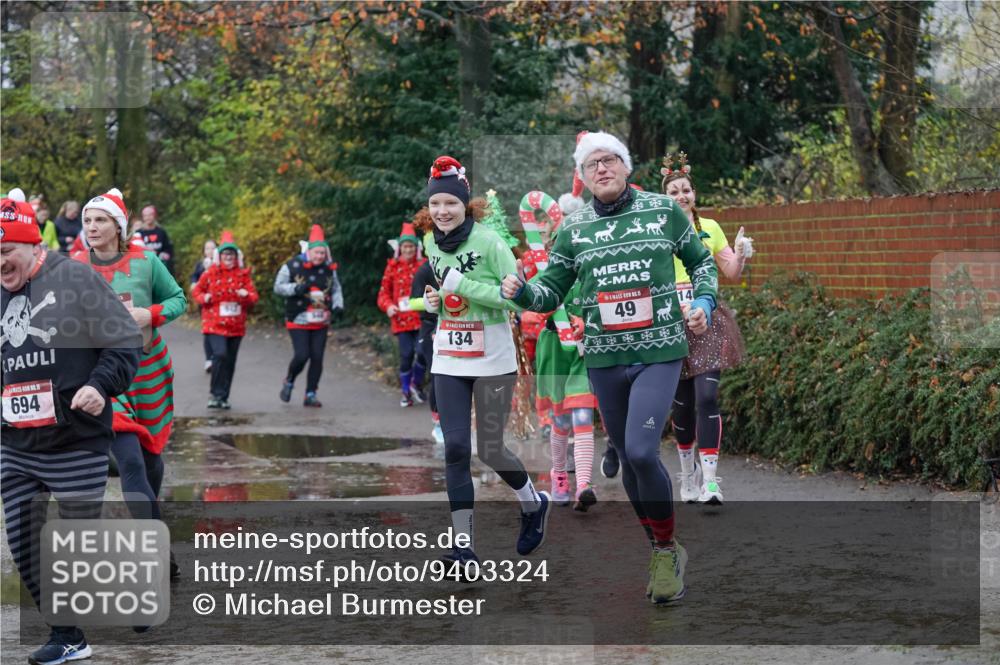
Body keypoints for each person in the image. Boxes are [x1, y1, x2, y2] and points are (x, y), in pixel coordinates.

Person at [501, 132, 719, 604]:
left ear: (626, 166)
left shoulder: (663, 211)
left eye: (610, 160)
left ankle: (666, 550)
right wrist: (522, 291)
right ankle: (661, 548)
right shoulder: (574, 229)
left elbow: (702, 264)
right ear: (582, 176)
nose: (601, 169)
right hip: (603, 357)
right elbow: (550, 290)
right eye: (592, 164)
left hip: (659, 350)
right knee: (627, 465)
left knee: (640, 451)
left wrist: (703, 302)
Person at [2, 191, 142, 664]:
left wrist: (101, 386)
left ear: (33, 245)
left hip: (76, 438)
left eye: (6, 251)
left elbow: (125, 340)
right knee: (24, 541)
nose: (0, 263)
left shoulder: (76, 278)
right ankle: (68, 636)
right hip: (16, 441)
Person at [421, 155, 550, 568]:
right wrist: (434, 301)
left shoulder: (491, 243)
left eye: (451, 203)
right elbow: (444, 291)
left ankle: (533, 504)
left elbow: (517, 301)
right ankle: (464, 549)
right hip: (449, 357)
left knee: (491, 449)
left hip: (493, 358)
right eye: (436, 203)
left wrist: (463, 285)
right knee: (456, 449)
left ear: (466, 204)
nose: (443, 211)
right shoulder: (428, 242)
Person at [74, 188, 186, 544]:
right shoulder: (75, 265)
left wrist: (149, 314)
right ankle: (156, 545)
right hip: (107, 376)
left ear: (118, 226)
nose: (92, 227)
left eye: (100, 220)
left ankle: (150, 515)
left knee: (151, 457)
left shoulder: (146, 262)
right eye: (87, 220)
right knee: (130, 460)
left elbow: (178, 299)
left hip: (149, 371)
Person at [661, 153, 752, 505]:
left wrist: (740, 254)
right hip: (670, 323)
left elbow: (730, 272)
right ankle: (688, 473)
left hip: (707, 320)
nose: (681, 196)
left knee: (707, 397)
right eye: (673, 192)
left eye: (685, 190)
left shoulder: (710, 227)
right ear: (665, 198)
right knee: (682, 405)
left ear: (694, 194)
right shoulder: (657, 230)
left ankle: (711, 481)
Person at [521, 182, 599, 512]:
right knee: (562, 421)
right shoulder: (544, 268)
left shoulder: (592, 263)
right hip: (554, 349)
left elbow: (603, 303)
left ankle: (584, 485)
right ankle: (559, 477)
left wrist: (587, 323)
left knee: (582, 413)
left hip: (584, 349)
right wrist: (523, 290)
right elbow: (530, 303)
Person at [273, 224, 344, 407]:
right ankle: (289, 380)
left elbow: (336, 288)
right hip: (298, 318)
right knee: (302, 355)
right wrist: (296, 288)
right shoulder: (292, 265)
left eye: (322, 253)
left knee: (317, 357)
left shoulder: (329, 267)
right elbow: (278, 287)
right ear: (309, 251)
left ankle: (311, 393)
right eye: (316, 253)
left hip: (321, 319)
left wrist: (338, 305)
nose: (319, 256)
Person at [192, 231, 258, 409]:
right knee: (220, 354)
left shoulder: (243, 275)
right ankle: (215, 394)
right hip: (214, 324)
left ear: (237, 257)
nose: (228, 257)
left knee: (230, 361)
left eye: (232, 254)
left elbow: (254, 297)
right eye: (225, 254)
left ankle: (223, 397)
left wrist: (246, 295)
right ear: (219, 256)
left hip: (236, 326)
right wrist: (204, 298)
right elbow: (196, 291)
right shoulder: (209, 273)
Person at [377, 222, 428, 407]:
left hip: (421, 319)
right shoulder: (392, 267)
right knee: (406, 355)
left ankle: (416, 384)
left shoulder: (423, 265)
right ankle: (405, 391)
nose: (408, 250)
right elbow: (383, 294)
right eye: (405, 246)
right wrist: (388, 306)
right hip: (401, 321)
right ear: (400, 248)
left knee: (423, 352)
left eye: (411, 246)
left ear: (416, 247)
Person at [408, 208, 444, 444]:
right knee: (437, 376)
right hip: (430, 328)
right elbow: (412, 302)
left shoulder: (457, 265)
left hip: (455, 327)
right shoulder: (424, 271)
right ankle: (438, 423)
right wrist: (434, 301)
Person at [190, 239, 218, 372]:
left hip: (219, 302)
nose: (210, 251)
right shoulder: (200, 264)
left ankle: (218, 356)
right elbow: (194, 277)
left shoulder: (221, 264)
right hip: (205, 302)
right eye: (207, 248)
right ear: (204, 251)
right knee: (208, 330)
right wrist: (194, 284)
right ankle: (209, 359)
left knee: (218, 330)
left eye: (213, 248)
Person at [136, 205, 175, 276]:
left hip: (160, 264)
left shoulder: (161, 232)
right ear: (143, 217)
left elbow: (168, 249)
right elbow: (133, 250)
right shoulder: (138, 233)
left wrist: (164, 254)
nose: (148, 217)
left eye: (150, 215)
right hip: (143, 265)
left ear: (154, 216)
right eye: (145, 215)